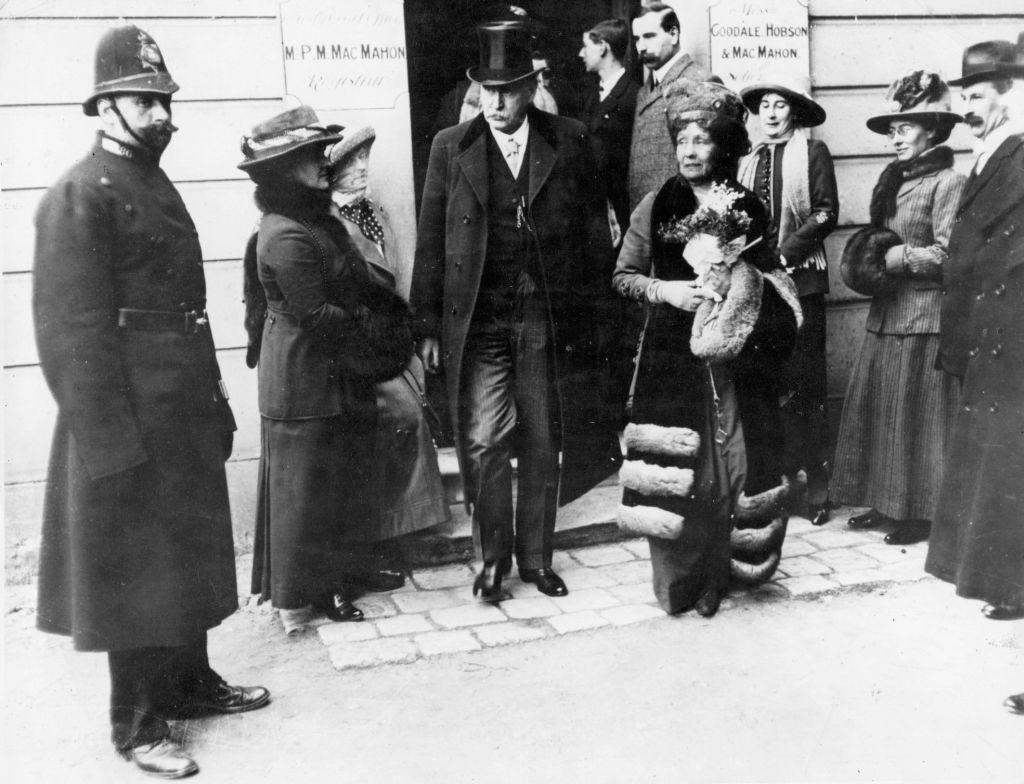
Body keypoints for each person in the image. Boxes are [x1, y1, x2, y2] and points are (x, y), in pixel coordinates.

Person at [32, 25, 268, 779]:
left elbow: (183, 311)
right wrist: (108, 443)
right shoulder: (80, 195)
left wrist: (213, 403)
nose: (164, 115)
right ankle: (136, 725)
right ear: (104, 107)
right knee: (134, 569)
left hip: (179, 412)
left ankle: (190, 684)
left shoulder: (148, 179)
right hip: (126, 420)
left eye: (166, 101)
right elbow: (72, 334)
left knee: (188, 553)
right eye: (146, 100)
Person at [411, 21, 620, 602]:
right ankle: (491, 560)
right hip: (478, 317)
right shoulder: (451, 146)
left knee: (540, 438)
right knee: (481, 441)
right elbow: (431, 238)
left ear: (532, 87)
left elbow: (592, 236)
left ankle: (535, 559)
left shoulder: (570, 137)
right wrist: (425, 323)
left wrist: (597, 315)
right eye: (486, 90)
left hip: (542, 313)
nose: (495, 102)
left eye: (508, 90)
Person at [613, 80, 801, 617]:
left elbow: (774, 278)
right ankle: (684, 579)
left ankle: (723, 572)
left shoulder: (747, 207)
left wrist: (739, 286)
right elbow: (623, 275)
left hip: (735, 357)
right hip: (672, 356)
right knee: (683, 470)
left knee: (733, 466)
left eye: (701, 141)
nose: (690, 151)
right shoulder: (656, 204)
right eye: (682, 141)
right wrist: (665, 290)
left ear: (721, 146)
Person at [240, 106, 413, 625]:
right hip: (303, 378)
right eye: (310, 155)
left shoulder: (311, 221)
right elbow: (314, 313)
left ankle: (346, 571)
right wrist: (371, 322)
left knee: (341, 478)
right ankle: (318, 589)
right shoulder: (285, 233)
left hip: (330, 371)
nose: (323, 161)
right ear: (281, 169)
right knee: (311, 488)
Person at [830, 71, 967, 547]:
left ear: (932, 128)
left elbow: (952, 254)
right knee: (882, 411)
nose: (895, 137)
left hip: (924, 317)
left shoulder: (949, 182)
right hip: (887, 314)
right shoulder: (894, 181)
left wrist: (897, 257)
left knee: (918, 418)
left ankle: (923, 513)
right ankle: (885, 501)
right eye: (892, 129)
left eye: (904, 128)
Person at [927, 41, 1024, 643]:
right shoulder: (989, 155)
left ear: (1009, 94)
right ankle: (1010, 585)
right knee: (999, 469)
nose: (967, 107)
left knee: (1010, 468)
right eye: (963, 96)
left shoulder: (1017, 156)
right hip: (987, 337)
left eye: (978, 95)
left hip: (1010, 340)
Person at [326, 125, 450, 551]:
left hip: (390, 341)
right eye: (351, 161)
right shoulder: (326, 223)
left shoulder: (374, 212)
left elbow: (398, 275)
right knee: (403, 417)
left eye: (365, 158)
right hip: (359, 349)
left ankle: (409, 522)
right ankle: (395, 526)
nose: (363, 167)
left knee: (413, 412)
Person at [738, 72, 838, 526]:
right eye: (765, 107)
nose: (772, 114)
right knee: (767, 383)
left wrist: (785, 252)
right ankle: (776, 481)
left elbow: (825, 211)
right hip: (762, 287)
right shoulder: (748, 160)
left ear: (794, 113)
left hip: (803, 281)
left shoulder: (812, 152)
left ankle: (815, 486)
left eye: (780, 105)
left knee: (806, 382)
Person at [627, 2, 710, 213]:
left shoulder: (698, 81)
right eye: (637, 38)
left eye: (649, 36)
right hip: (644, 214)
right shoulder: (645, 90)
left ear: (673, 34)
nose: (641, 46)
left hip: (679, 214)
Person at [579, 17, 640, 241]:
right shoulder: (593, 97)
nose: (581, 54)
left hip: (622, 210)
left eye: (586, 46)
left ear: (603, 47)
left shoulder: (633, 96)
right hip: (597, 209)